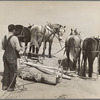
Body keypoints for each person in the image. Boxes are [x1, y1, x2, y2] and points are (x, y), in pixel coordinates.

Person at [1, 24, 21, 91]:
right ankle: (11, 87)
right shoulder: (15, 38)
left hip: (5, 56)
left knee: (6, 71)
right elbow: (18, 49)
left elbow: (2, 48)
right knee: (13, 71)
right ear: (14, 30)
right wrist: (20, 48)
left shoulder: (4, 37)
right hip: (12, 57)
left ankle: (4, 86)